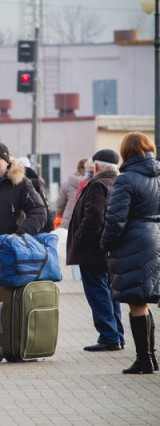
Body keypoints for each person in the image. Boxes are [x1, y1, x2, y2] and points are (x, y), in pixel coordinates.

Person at [0, 142, 47, 363]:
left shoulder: (20, 184)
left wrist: (20, 234)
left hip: (10, 255)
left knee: (10, 303)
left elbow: (39, 211)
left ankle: (13, 346)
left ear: (7, 161)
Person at [101, 132, 160, 374]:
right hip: (156, 237)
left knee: (137, 300)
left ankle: (143, 359)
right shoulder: (158, 175)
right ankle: (151, 357)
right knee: (144, 299)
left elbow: (115, 220)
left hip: (136, 241)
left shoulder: (126, 180)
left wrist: (105, 244)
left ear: (126, 152)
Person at [67, 149, 124, 352]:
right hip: (110, 249)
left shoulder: (98, 185)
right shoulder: (117, 182)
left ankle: (109, 336)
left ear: (98, 166)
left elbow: (93, 217)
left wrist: (79, 238)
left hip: (92, 250)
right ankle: (117, 335)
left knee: (98, 293)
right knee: (110, 292)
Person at [18, 157, 54, 232]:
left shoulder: (21, 183)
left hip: (25, 227)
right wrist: (50, 228)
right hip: (39, 226)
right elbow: (45, 205)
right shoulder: (37, 181)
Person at [55, 158, 87, 229]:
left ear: (78, 168)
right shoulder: (94, 183)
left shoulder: (67, 183)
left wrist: (59, 218)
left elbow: (60, 204)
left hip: (68, 221)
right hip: (85, 221)